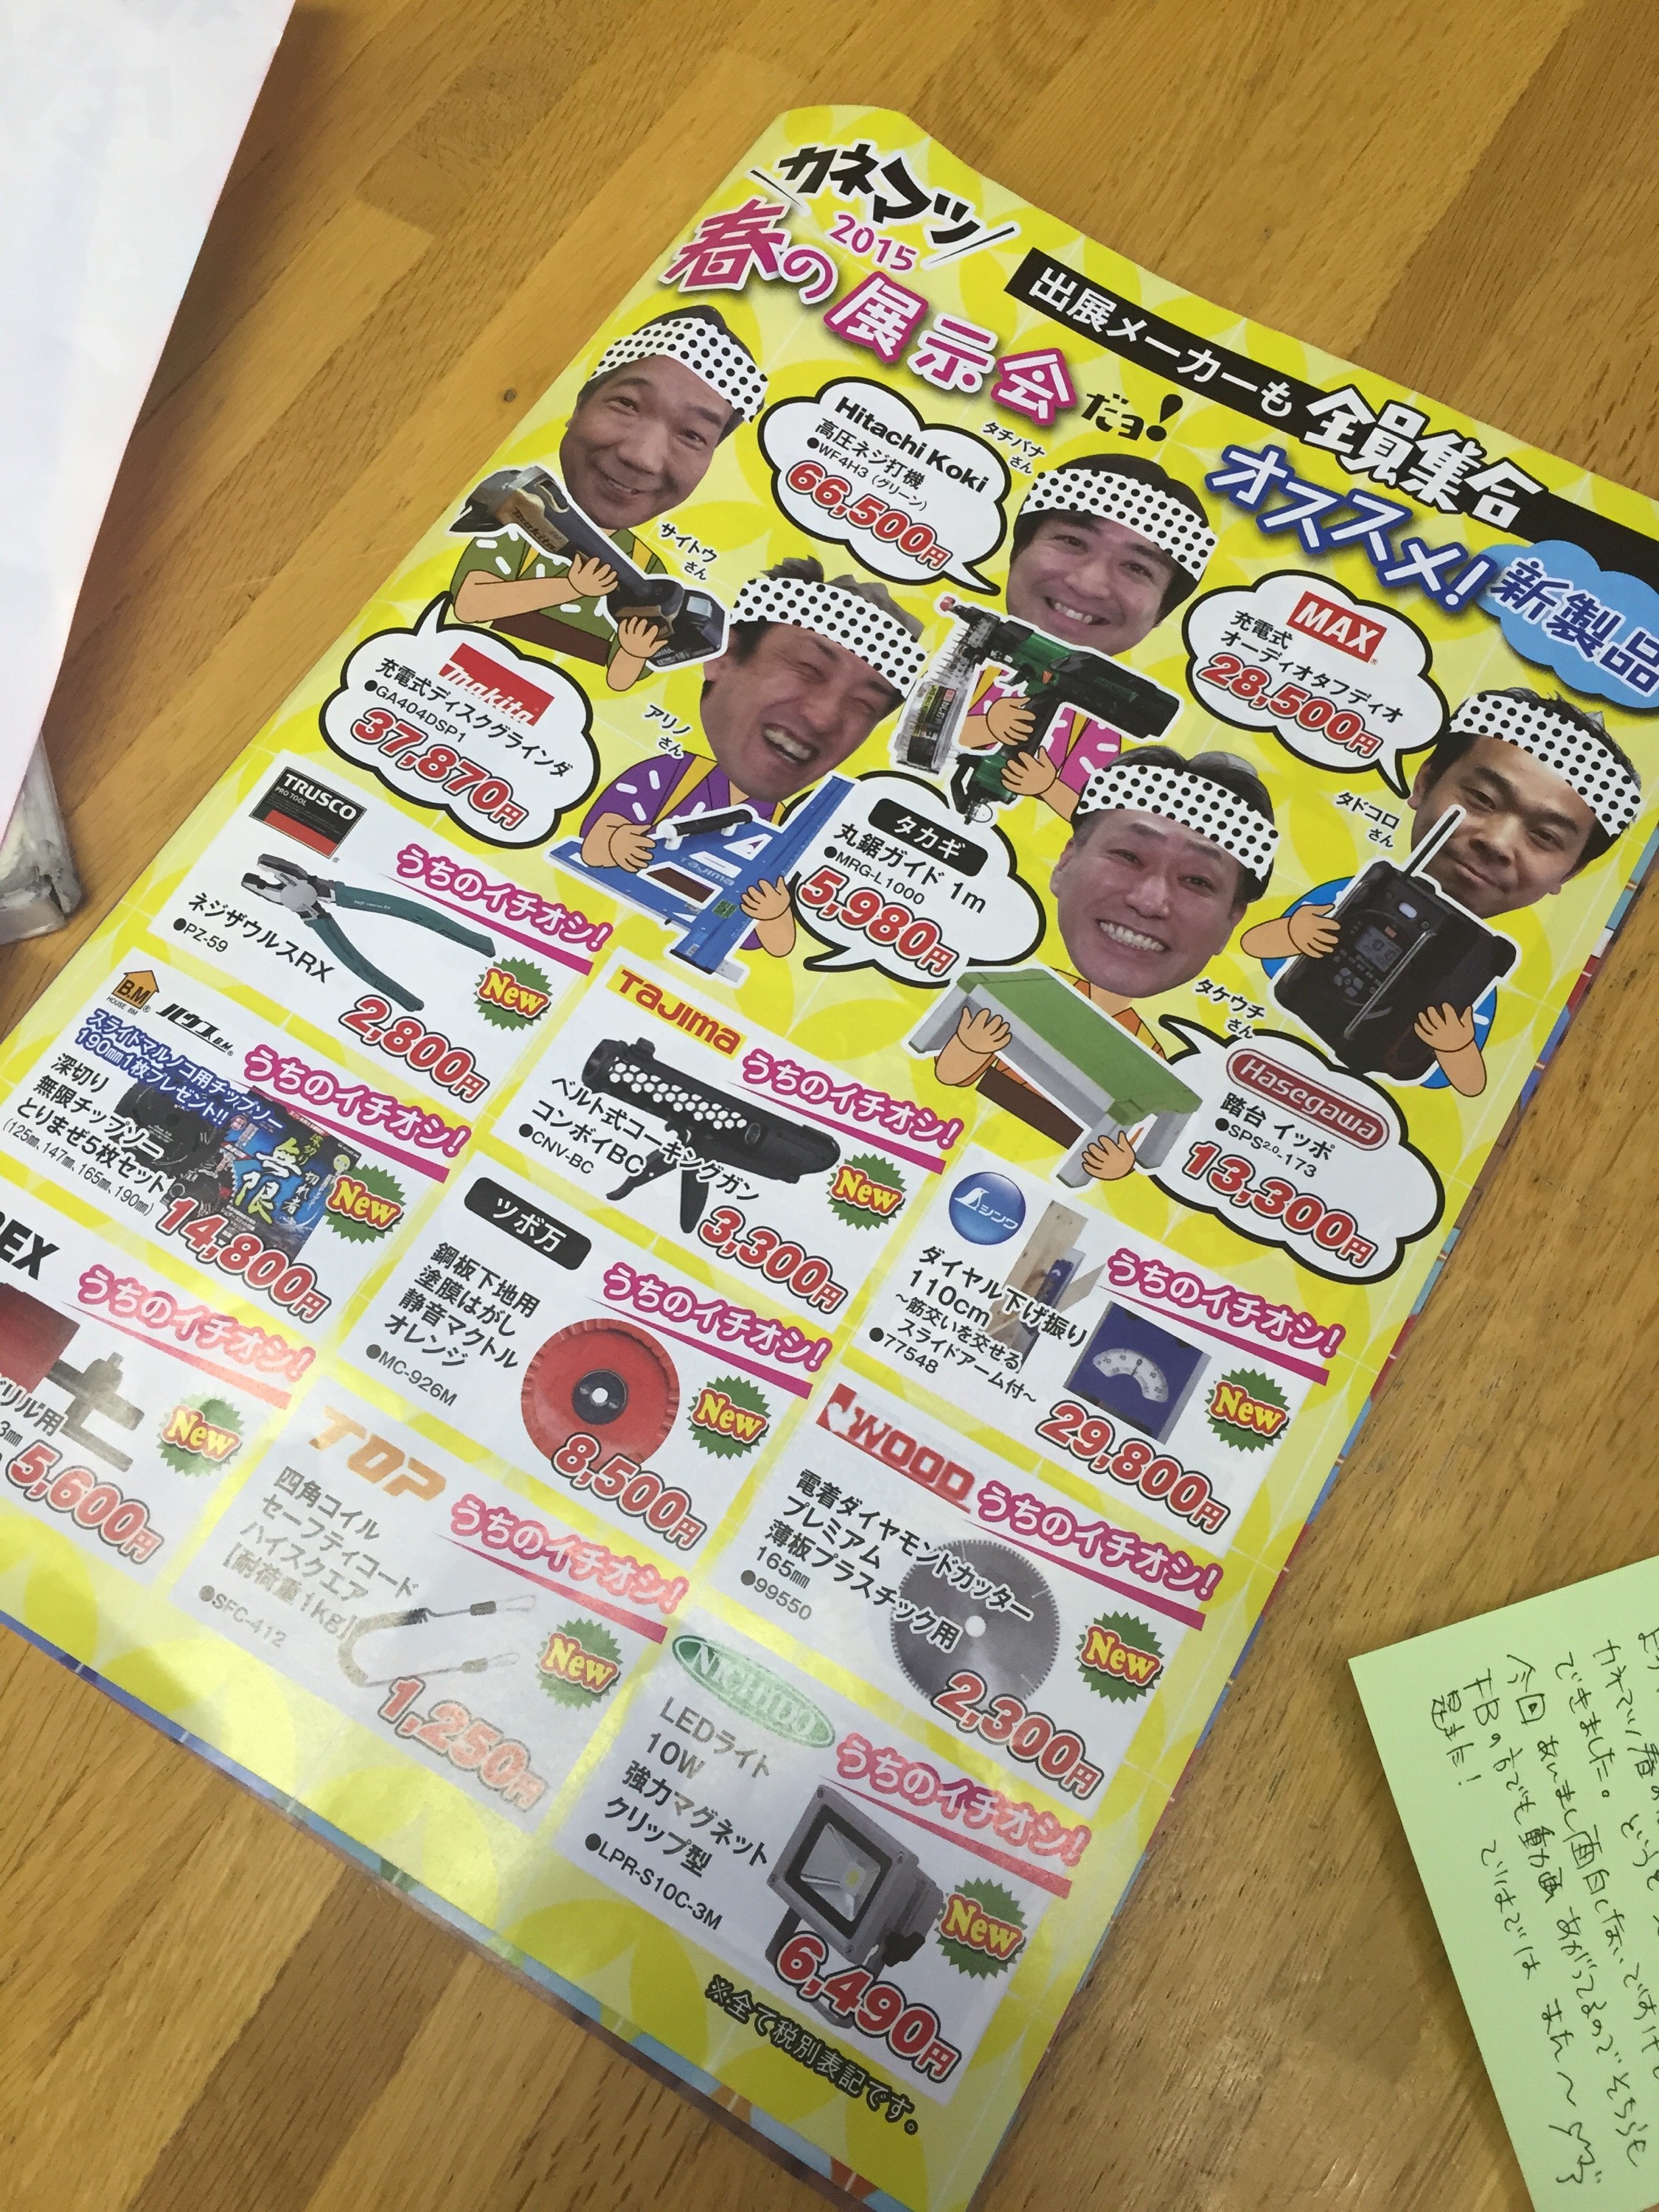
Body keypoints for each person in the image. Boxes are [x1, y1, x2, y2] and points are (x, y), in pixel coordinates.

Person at [1240, 688, 1644, 1094]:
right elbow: (1250, 945)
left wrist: (1455, 1047)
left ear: (1570, 872)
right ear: (1426, 781)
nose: (1498, 842)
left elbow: (1471, 1087)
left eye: (1545, 836)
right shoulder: (1355, 892)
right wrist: (1294, 934)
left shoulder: (1486, 977)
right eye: (1482, 798)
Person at [933, 746, 1279, 1178]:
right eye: (1128, 856)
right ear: (1065, 862)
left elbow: (1136, 1142)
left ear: (1232, 920)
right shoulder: (1021, 992)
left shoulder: (1149, 1059)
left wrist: (1118, 1166)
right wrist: (970, 1048)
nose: (1150, 902)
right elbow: (948, 1074)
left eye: (1197, 880)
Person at [577, 557, 925, 955]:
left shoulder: (792, 839)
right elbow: (592, 844)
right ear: (723, 657)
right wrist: (616, 843)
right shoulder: (667, 777)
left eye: (864, 705)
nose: (825, 717)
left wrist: (774, 914)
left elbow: (778, 947)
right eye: (808, 668)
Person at [448, 306, 767, 689]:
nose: (642, 457)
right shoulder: (516, 519)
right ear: (580, 404)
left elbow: (619, 682)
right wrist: (571, 588)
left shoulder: (646, 568)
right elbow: (468, 604)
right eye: (627, 404)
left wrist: (633, 650)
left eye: (693, 435)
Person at [954, 455, 1217, 821]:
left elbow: (1100, 818)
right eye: (1072, 541)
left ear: (1162, 612)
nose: (1088, 584)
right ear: (1018, 550)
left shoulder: (1117, 746)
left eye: (1137, 567)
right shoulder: (923, 656)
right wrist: (985, 726)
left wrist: (1048, 786)